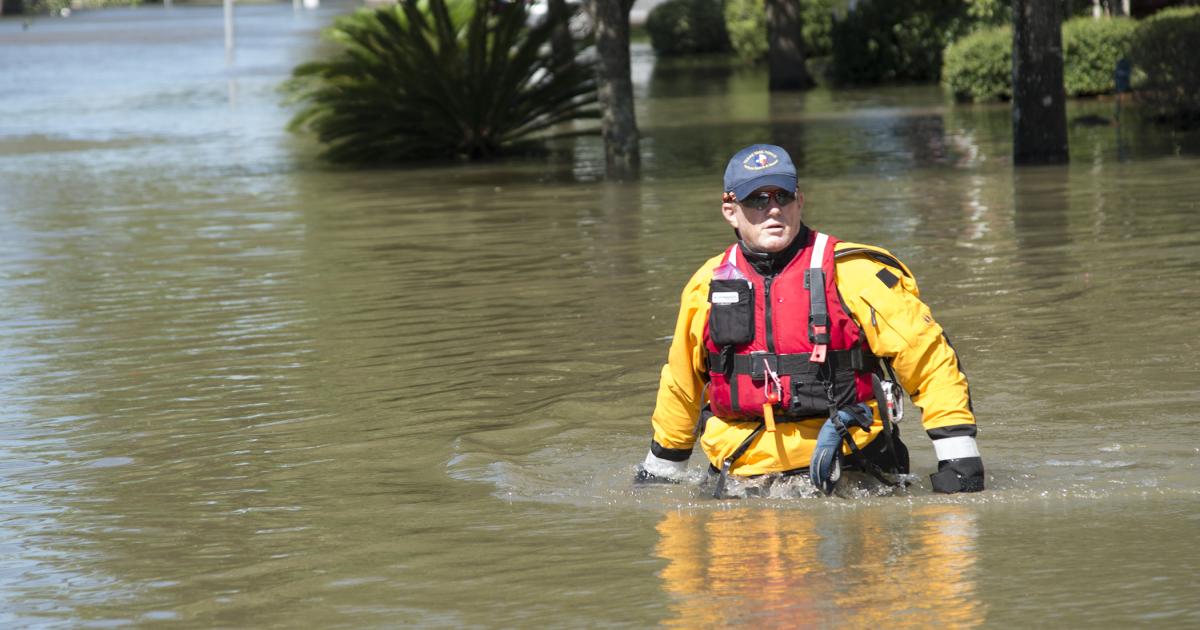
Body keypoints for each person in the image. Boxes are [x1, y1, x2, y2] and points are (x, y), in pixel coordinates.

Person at [634, 144, 984, 497]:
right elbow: (682, 383)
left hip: (852, 468)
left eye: (783, 196)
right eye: (756, 199)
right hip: (740, 476)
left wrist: (959, 460)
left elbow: (929, 362)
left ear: (799, 200)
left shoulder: (855, 272)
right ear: (730, 211)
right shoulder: (706, 285)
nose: (773, 208)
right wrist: (661, 473)